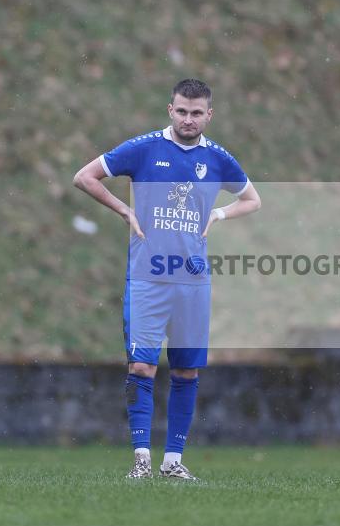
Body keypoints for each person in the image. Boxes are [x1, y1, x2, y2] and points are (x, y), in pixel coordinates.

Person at [73, 79, 261, 480]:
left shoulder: (218, 159)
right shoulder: (144, 149)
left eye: (197, 113)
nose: (188, 119)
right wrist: (124, 209)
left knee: (186, 371)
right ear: (169, 110)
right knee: (142, 367)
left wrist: (220, 215)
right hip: (147, 279)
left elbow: (252, 199)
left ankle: (173, 462)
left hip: (192, 282)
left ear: (209, 115)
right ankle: (141, 460)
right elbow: (84, 177)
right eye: (182, 111)